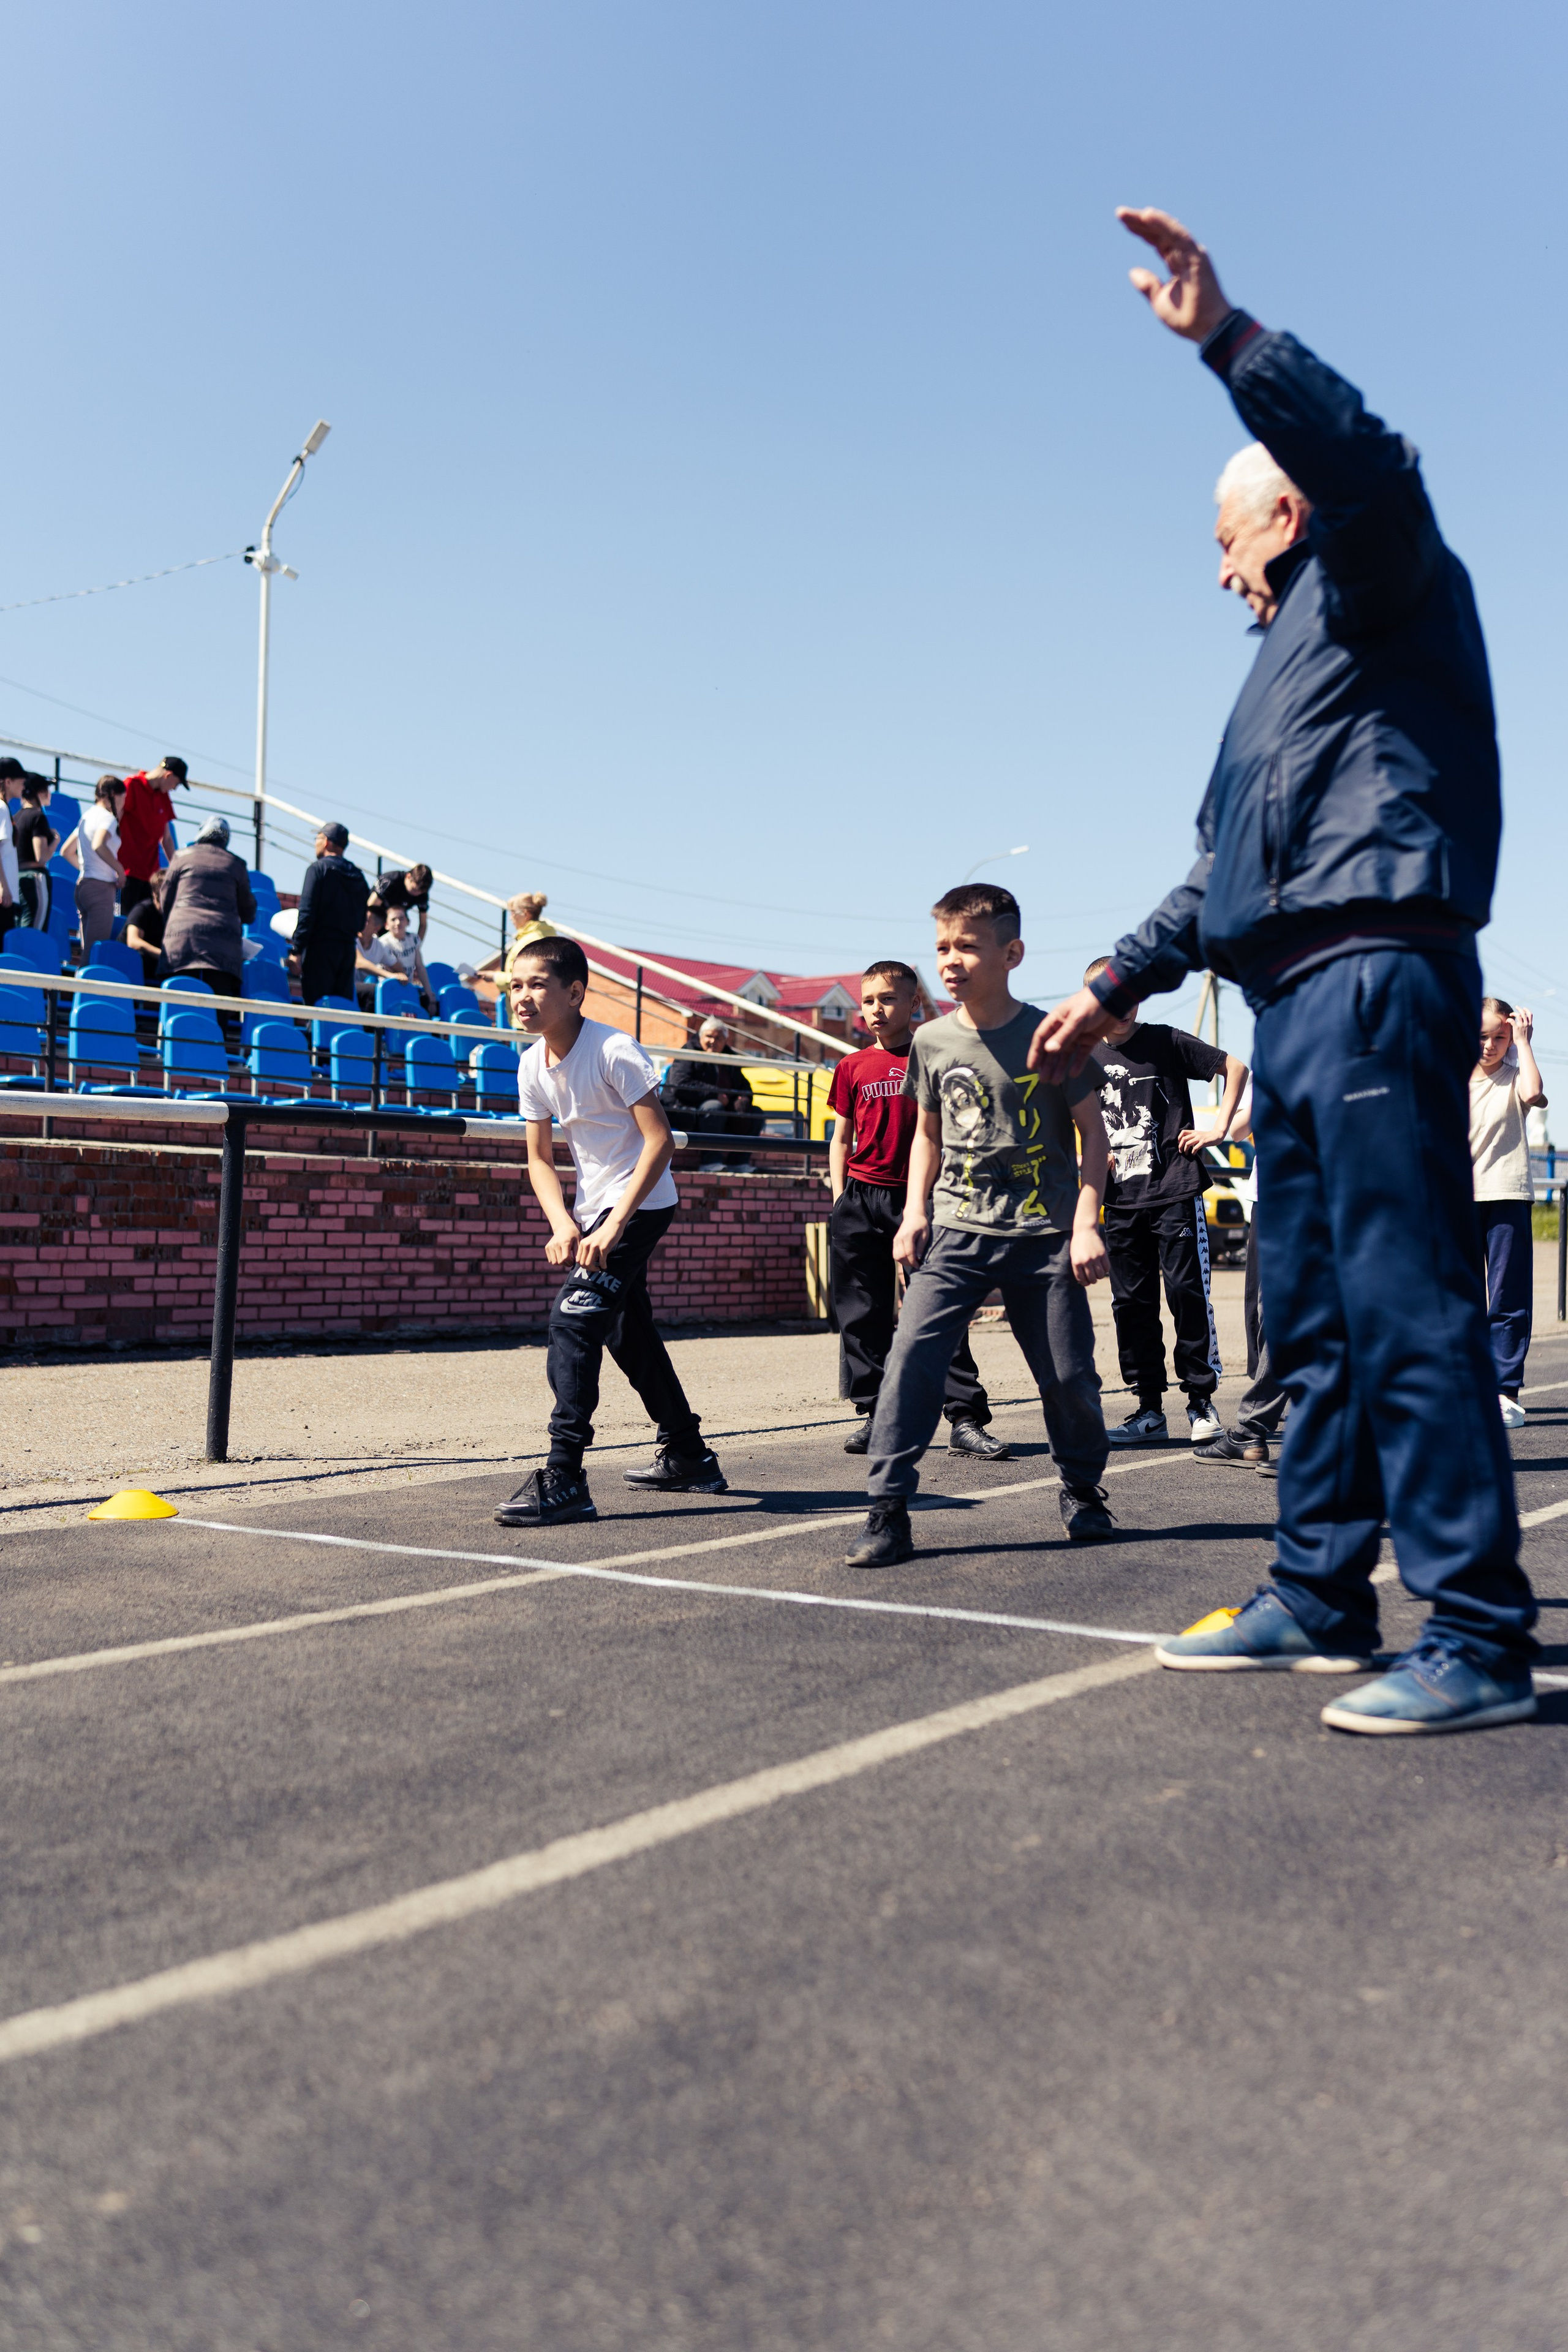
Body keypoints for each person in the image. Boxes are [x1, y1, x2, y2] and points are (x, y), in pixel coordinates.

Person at [1028, 206, 1539, 1733]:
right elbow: (1218, 874)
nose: (1215, 574)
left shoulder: (1377, 569)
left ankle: (1475, 1634)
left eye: (1221, 540)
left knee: (1404, 1303)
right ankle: (1317, 1590)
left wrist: (1229, 342)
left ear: (1282, 511)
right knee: (1303, 1312)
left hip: (1379, 969)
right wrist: (1116, 980)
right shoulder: (1273, 679)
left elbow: (1372, 459)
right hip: (1288, 1002)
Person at [845, 885, 1112, 1569]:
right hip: (956, 1231)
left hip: (1042, 1235)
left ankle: (1081, 1490)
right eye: (941, 948)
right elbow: (926, 1138)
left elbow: (1094, 1139)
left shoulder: (1052, 1035)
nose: (951, 961)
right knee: (910, 1363)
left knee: (1068, 1376)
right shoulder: (930, 1041)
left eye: (967, 946)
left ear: (1011, 953)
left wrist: (1086, 1225)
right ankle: (887, 1510)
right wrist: (914, 1214)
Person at [494, 933, 726, 1528]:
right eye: (515, 985)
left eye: (536, 984)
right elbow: (540, 1159)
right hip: (596, 1212)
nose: (522, 996)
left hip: (639, 1205)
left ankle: (565, 1476)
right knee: (626, 1330)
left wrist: (614, 1223)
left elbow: (660, 1142)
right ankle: (687, 1453)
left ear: (574, 992)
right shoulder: (529, 1064)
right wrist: (561, 1222)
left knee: (573, 1321)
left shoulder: (613, 1050)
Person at [827, 959, 1010, 1461]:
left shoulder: (937, 1055)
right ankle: (876, 1414)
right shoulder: (851, 1066)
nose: (876, 1009)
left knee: (940, 1311)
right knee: (861, 1316)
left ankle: (965, 1418)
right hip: (862, 1200)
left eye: (887, 999)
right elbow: (841, 1138)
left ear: (913, 1004)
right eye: (868, 1000)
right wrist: (841, 1196)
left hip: (926, 1201)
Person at [1084, 957, 1247, 1447]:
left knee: (1185, 1294)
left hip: (1174, 1190)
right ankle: (1148, 1409)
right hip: (1120, 1199)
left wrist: (1219, 1129)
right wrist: (1093, 1153)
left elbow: (1234, 1066)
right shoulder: (1083, 1055)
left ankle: (1201, 1401)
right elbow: (1064, 1113)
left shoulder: (1166, 1040)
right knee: (1130, 1304)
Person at [1192, 1076, 1287, 1470]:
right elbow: (1239, 1128)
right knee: (1272, 1313)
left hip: (1318, 1200)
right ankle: (1258, 1432)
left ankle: (1261, 1432)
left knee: (1291, 1314)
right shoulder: (1278, 1064)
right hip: (1277, 1197)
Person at [1472, 998, 1546, 1428]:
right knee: (1458, 1299)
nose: (1490, 1045)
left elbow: (1535, 1094)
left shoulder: (1517, 1076)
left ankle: (1505, 1392)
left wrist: (1523, 1041)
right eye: (1482, 1036)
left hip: (1507, 1195)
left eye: (1499, 1037)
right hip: (1457, 1199)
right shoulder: (1448, 1078)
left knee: (1507, 1300)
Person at [157, 815, 257, 995]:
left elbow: (165, 900)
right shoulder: (237, 865)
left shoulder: (180, 857)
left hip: (182, 943)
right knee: (218, 1010)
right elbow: (249, 912)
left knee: (178, 1002)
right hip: (223, 950)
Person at [660, 1019, 765, 1170]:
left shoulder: (729, 1056)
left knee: (755, 1113)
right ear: (701, 1036)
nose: (713, 1041)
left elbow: (744, 1085)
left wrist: (744, 1099)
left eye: (718, 1038)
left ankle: (739, 1163)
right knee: (714, 1107)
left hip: (722, 1112)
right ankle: (710, 1162)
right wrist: (714, 1095)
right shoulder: (688, 1052)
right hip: (684, 1109)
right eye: (709, 1036)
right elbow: (680, 1085)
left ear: (725, 1040)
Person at [288, 824, 371, 1006]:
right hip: (348, 950)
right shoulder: (358, 876)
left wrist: (297, 950)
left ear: (325, 842)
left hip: (320, 949)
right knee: (340, 1009)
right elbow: (363, 918)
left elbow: (307, 913)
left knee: (316, 1007)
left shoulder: (318, 869)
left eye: (317, 839)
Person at [62, 777, 126, 954]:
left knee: (87, 950)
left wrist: (86, 867)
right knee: (94, 952)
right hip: (100, 887)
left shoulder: (87, 816)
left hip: (83, 885)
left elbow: (66, 851)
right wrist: (119, 870)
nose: (124, 803)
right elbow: (99, 844)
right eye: (124, 798)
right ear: (114, 795)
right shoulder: (108, 819)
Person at [118, 758, 187, 918]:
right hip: (127, 873)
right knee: (125, 924)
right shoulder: (132, 785)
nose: (175, 789)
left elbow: (167, 838)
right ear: (168, 776)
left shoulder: (163, 797)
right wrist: (114, 865)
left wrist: (176, 869)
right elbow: (114, 822)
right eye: (176, 784)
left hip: (150, 879)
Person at [355, 900, 434, 1008]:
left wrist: (403, 979)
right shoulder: (352, 939)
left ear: (377, 928)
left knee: (422, 999)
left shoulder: (379, 946)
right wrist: (391, 975)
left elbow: (399, 968)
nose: (360, 921)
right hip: (346, 985)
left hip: (362, 987)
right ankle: (373, 1025)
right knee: (376, 993)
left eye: (366, 920)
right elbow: (360, 963)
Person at [12, 777, 59, 931]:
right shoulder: (37, 817)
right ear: (39, 792)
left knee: (19, 928)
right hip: (34, 879)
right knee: (35, 929)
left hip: (16, 878)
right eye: (46, 789)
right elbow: (41, 858)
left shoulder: (16, 817)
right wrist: (55, 841)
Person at [368, 862, 434, 943]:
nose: (416, 894)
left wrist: (417, 946)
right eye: (414, 889)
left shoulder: (422, 895)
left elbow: (423, 924)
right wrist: (369, 933)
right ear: (408, 877)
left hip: (391, 925)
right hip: (373, 918)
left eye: (420, 892)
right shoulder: (390, 880)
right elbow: (370, 908)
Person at [0, 759, 22, 942]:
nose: (24, 785)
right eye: (20, 780)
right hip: (3, 896)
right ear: (8, 782)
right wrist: (3, 887)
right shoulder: (1, 808)